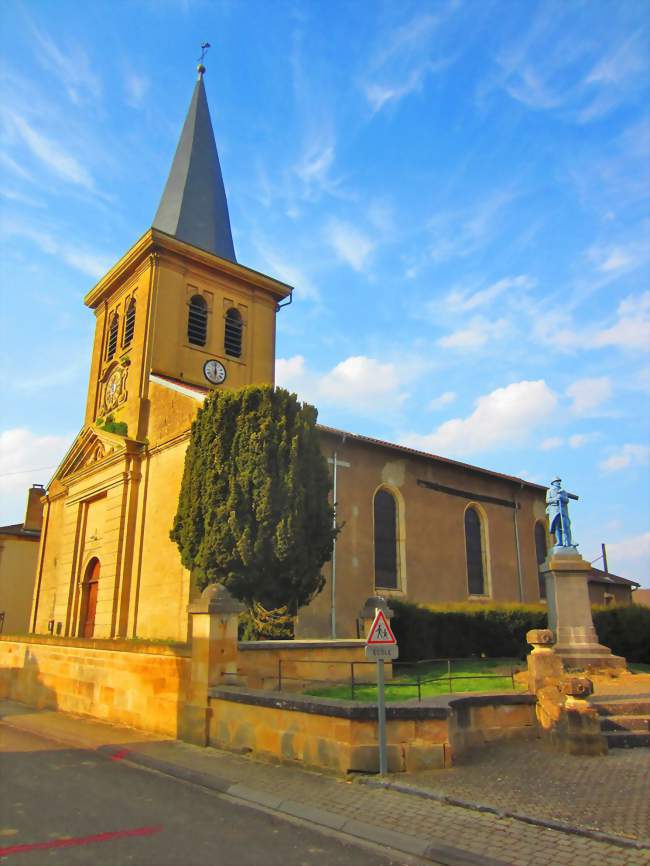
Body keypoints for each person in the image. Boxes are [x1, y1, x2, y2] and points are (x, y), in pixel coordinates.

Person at [546, 477, 572, 547]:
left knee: (566, 525)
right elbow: (547, 500)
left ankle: (568, 542)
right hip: (555, 510)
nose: (559, 482)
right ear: (553, 483)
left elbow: (567, 500)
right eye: (557, 481)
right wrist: (555, 499)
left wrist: (562, 498)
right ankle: (559, 542)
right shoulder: (550, 491)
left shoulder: (563, 491)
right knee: (557, 526)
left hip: (563, 510)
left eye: (559, 481)